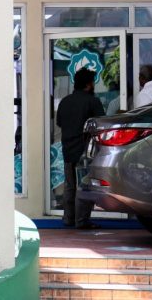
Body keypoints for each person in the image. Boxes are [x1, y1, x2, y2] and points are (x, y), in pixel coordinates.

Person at [56, 68, 105, 229]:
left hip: (67, 149)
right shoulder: (92, 101)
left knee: (70, 186)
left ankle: (68, 218)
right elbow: (102, 124)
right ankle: (82, 220)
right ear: (88, 84)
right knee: (85, 187)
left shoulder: (65, 101)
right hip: (85, 151)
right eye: (93, 82)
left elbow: (60, 123)